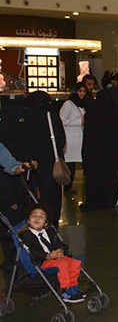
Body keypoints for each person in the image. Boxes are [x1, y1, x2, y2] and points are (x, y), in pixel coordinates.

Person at [19, 204, 84, 303]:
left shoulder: (50, 232)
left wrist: (61, 250)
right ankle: (65, 290)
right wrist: (48, 256)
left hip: (56, 258)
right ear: (28, 221)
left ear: (46, 223)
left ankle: (73, 287)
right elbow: (34, 253)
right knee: (63, 264)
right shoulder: (26, 236)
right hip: (43, 262)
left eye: (41, 217)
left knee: (75, 263)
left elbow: (60, 244)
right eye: (34, 215)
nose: (37, 218)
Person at [81, 90, 118, 211]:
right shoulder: (114, 112)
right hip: (109, 151)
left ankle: (93, 202)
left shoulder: (90, 112)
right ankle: (108, 201)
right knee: (109, 177)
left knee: (93, 177)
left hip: (92, 151)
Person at [24, 91, 66, 226]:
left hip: (33, 165)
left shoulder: (26, 117)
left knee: (36, 196)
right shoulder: (52, 116)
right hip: (51, 162)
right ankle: (52, 224)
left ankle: (36, 224)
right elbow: (61, 139)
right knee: (53, 196)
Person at [59, 83, 87, 193]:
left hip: (80, 137)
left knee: (75, 162)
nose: (82, 94)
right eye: (80, 91)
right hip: (70, 138)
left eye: (84, 91)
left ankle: (69, 185)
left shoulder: (84, 104)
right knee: (70, 163)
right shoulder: (68, 104)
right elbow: (62, 120)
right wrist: (79, 121)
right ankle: (67, 185)